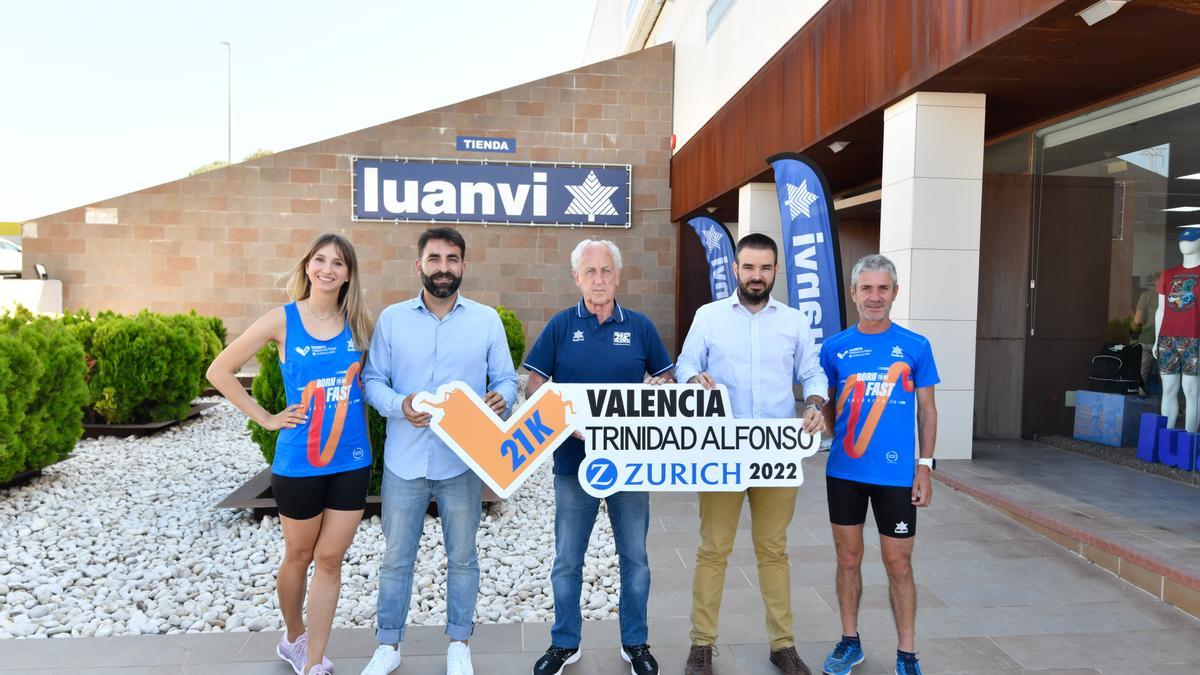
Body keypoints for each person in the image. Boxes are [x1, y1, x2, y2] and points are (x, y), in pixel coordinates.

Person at [207, 232, 375, 675]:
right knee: (299, 556)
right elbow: (219, 370)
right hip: (300, 461)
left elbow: (380, 380)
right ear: (306, 267)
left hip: (352, 459)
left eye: (338, 263)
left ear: (347, 274)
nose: (327, 269)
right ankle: (294, 637)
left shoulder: (359, 323)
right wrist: (265, 417)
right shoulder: (282, 320)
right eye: (320, 260)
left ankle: (314, 661)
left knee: (330, 559)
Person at [359, 227, 518, 675]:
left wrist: (502, 397)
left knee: (463, 557)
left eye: (452, 259)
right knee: (396, 558)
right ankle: (388, 645)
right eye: (434, 259)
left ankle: (459, 643)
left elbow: (506, 378)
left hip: (461, 460)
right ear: (419, 266)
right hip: (405, 461)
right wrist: (399, 405)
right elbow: (373, 382)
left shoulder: (486, 321)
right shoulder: (392, 319)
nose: (443, 267)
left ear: (464, 266)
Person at [676, 233, 828, 675]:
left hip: (776, 453)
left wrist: (816, 403)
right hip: (721, 451)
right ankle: (701, 645)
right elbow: (686, 363)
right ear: (737, 269)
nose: (756, 276)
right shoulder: (709, 317)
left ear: (775, 271)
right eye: (748, 267)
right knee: (713, 550)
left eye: (764, 268)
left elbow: (812, 371)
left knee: (773, 551)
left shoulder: (795, 322)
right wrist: (691, 382)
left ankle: (782, 644)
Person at [524, 239, 675, 675]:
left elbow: (666, 378)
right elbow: (533, 383)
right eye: (589, 271)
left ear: (618, 276)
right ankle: (564, 643)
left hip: (630, 463)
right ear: (576, 278)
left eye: (606, 270)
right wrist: (563, 418)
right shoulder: (560, 325)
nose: (598, 279)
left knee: (636, 559)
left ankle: (635, 643)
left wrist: (658, 392)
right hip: (574, 465)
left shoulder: (641, 327)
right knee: (568, 559)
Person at [817, 254, 939, 675]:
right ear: (853, 294)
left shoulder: (916, 346)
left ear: (895, 293)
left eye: (882, 288)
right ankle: (850, 642)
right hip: (844, 473)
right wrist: (834, 436)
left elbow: (927, 410)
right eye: (866, 288)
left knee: (898, 563)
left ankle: (907, 655)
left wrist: (924, 466)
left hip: (896, 476)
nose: (874, 297)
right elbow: (827, 402)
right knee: (847, 559)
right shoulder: (833, 348)